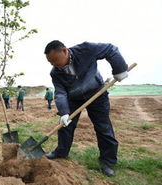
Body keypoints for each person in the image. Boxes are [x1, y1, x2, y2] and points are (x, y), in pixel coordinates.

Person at [44, 40, 128, 177]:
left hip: (97, 94)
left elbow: (110, 49)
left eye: (55, 60)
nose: (54, 64)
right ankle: (61, 152)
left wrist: (119, 69)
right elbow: (60, 93)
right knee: (65, 126)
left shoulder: (86, 49)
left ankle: (107, 161)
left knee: (103, 127)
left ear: (64, 51)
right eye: (50, 62)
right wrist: (64, 112)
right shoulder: (55, 73)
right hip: (73, 98)